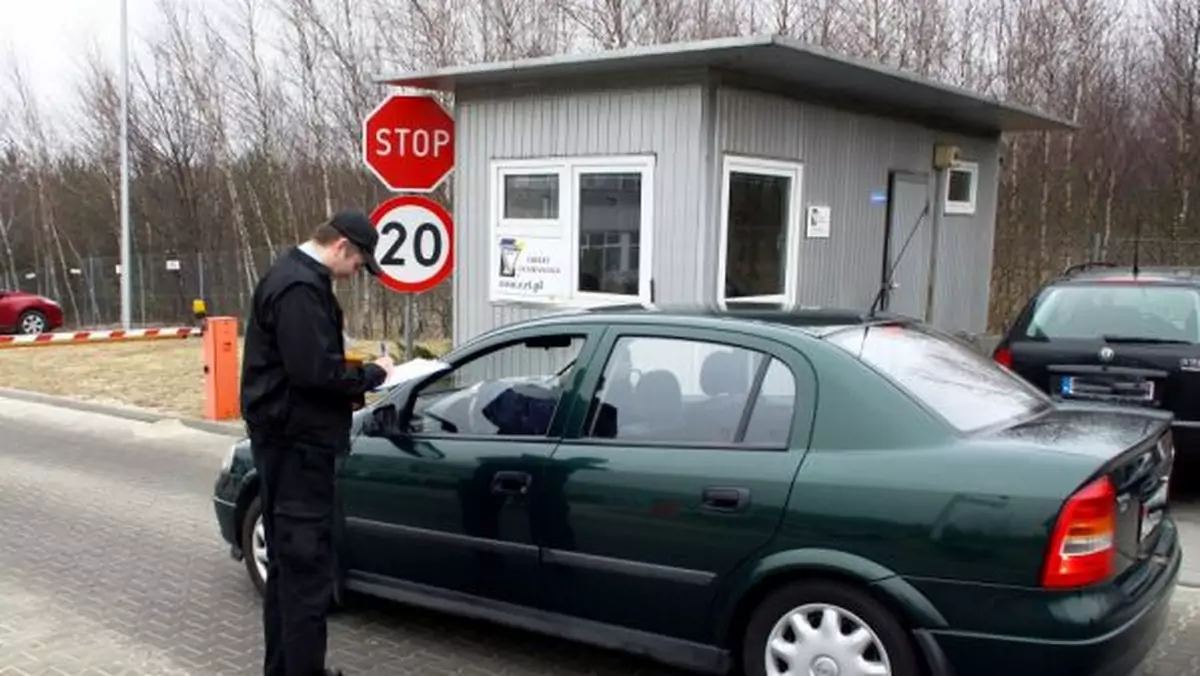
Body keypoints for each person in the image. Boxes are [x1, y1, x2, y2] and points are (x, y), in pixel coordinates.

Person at [240, 210, 396, 676]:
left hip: (285, 443)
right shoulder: (301, 288)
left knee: (289, 574)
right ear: (343, 247)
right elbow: (315, 372)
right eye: (359, 263)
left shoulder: (291, 277)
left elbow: (306, 362)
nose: (356, 274)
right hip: (297, 449)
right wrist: (372, 375)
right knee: (306, 574)